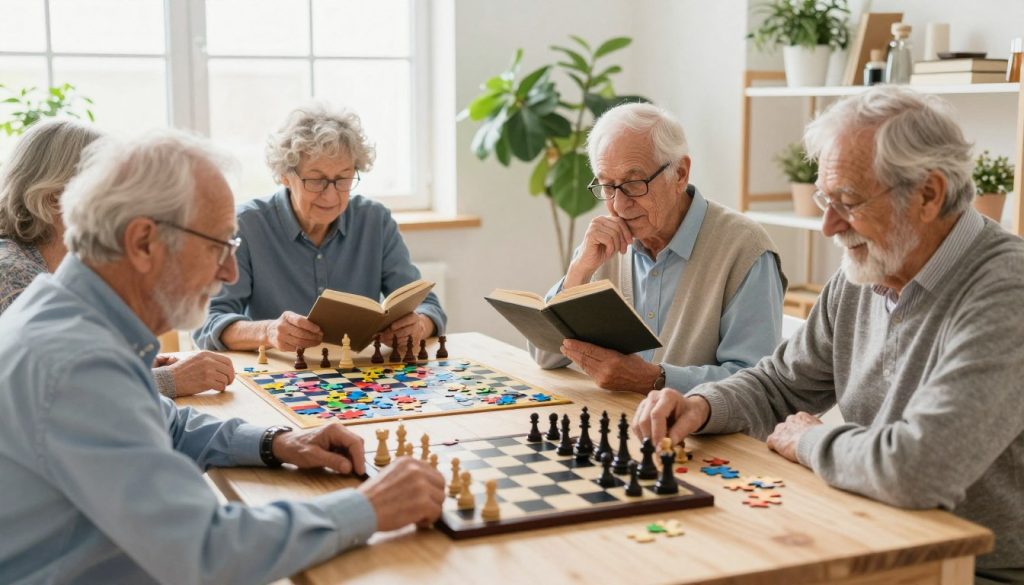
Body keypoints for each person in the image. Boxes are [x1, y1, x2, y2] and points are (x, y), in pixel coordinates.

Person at [0, 129, 445, 584]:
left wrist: (276, 441)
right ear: (143, 243)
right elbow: (207, 552)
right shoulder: (76, 361)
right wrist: (368, 507)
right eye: (218, 246)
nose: (230, 271)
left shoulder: (69, 315)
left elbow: (164, 421)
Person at [632, 86, 1024, 580]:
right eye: (824, 198)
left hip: (970, 566)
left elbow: (920, 470)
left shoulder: (1008, 290)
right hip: (868, 529)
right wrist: (702, 406)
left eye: (848, 201)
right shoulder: (868, 268)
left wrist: (813, 442)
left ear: (929, 194)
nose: (828, 225)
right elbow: (781, 383)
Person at [531, 103, 786, 394]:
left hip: (701, 437)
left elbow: (756, 386)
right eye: (607, 186)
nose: (619, 204)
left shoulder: (745, 249)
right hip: (618, 427)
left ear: (680, 174)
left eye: (633, 183)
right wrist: (579, 272)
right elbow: (545, 356)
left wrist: (654, 379)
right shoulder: (606, 241)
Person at [0, 118, 233, 398]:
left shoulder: (50, 265)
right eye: (104, 188)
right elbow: (65, 393)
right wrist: (169, 379)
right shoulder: (12, 273)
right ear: (53, 199)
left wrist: (134, 366)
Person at [193, 103, 446, 353]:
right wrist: (268, 332)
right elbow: (208, 322)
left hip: (361, 377)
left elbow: (429, 307)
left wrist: (419, 326)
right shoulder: (247, 226)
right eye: (316, 180)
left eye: (343, 179)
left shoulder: (375, 221)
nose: (331, 196)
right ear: (285, 175)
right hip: (277, 376)